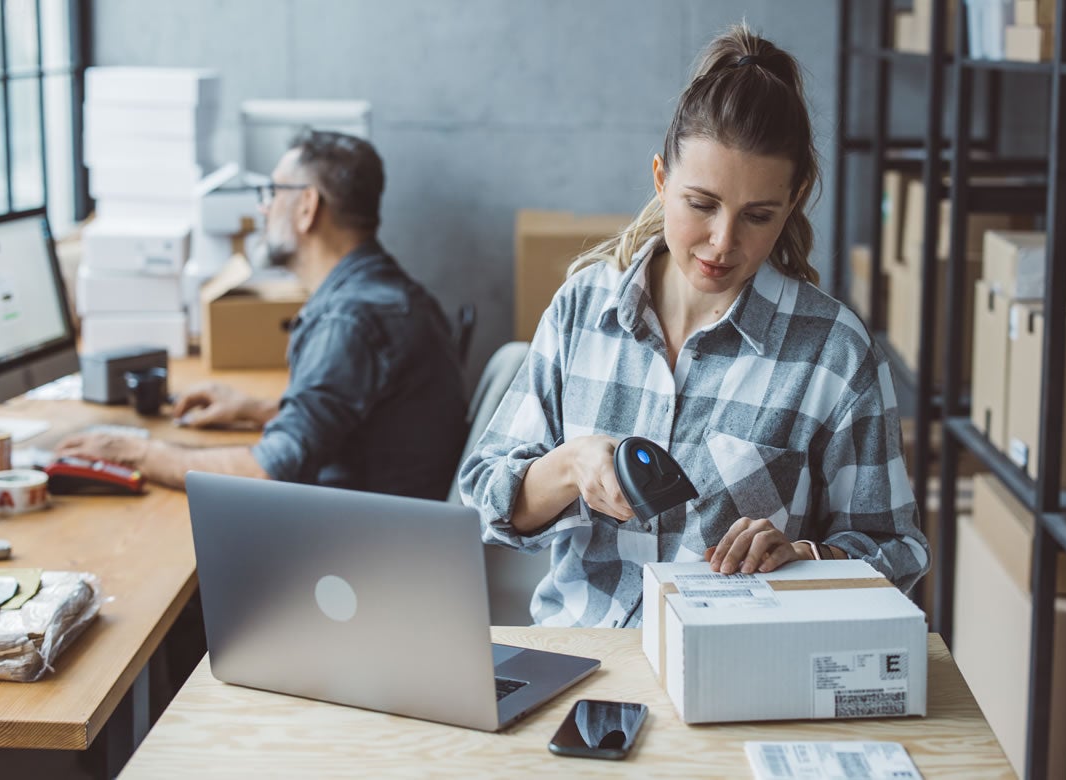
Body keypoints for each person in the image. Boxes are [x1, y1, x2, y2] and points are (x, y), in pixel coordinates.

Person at [460, 25, 929, 629]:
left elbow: (896, 552)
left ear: (795, 200)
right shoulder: (583, 309)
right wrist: (571, 465)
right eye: (701, 204)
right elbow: (486, 503)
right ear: (661, 179)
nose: (723, 242)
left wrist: (808, 558)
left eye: (757, 216)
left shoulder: (832, 352)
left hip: (733, 676)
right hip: (583, 663)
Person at [58, 130, 468, 500]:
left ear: (307, 206)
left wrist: (136, 451)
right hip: (393, 523)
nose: (263, 209)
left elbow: (267, 473)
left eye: (273, 192)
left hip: (356, 551)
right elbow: (365, 421)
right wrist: (254, 409)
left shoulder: (348, 321)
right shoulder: (391, 293)